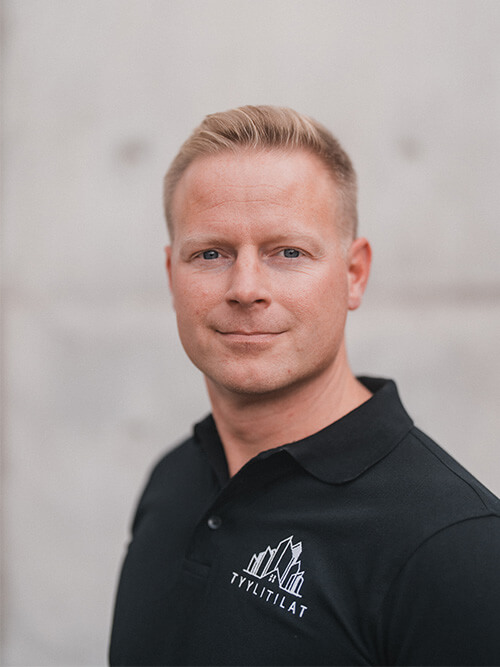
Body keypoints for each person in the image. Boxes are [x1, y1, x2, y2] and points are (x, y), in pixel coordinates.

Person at [109, 105, 500, 666]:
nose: (245, 288)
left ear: (354, 274)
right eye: (210, 253)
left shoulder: (458, 548)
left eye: (288, 252)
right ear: (172, 275)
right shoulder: (174, 478)